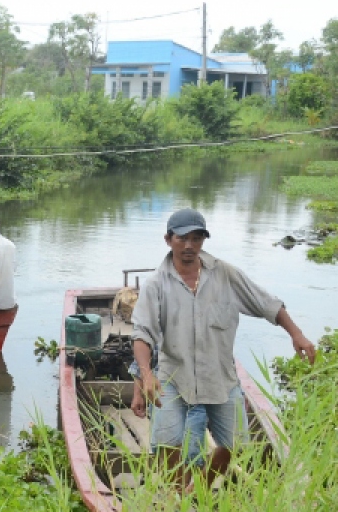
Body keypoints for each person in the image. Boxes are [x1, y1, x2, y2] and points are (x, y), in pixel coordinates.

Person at [131, 208, 315, 489]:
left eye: (197, 238)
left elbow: (265, 302)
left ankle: (201, 489)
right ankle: (180, 494)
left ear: (204, 240)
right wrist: (145, 374)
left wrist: (296, 333)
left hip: (220, 377)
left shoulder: (224, 274)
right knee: (167, 445)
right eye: (183, 238)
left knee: (235, 444)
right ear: (169, 240)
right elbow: (142, 333)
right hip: (174, 379)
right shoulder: (156, 284)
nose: (190, 245)